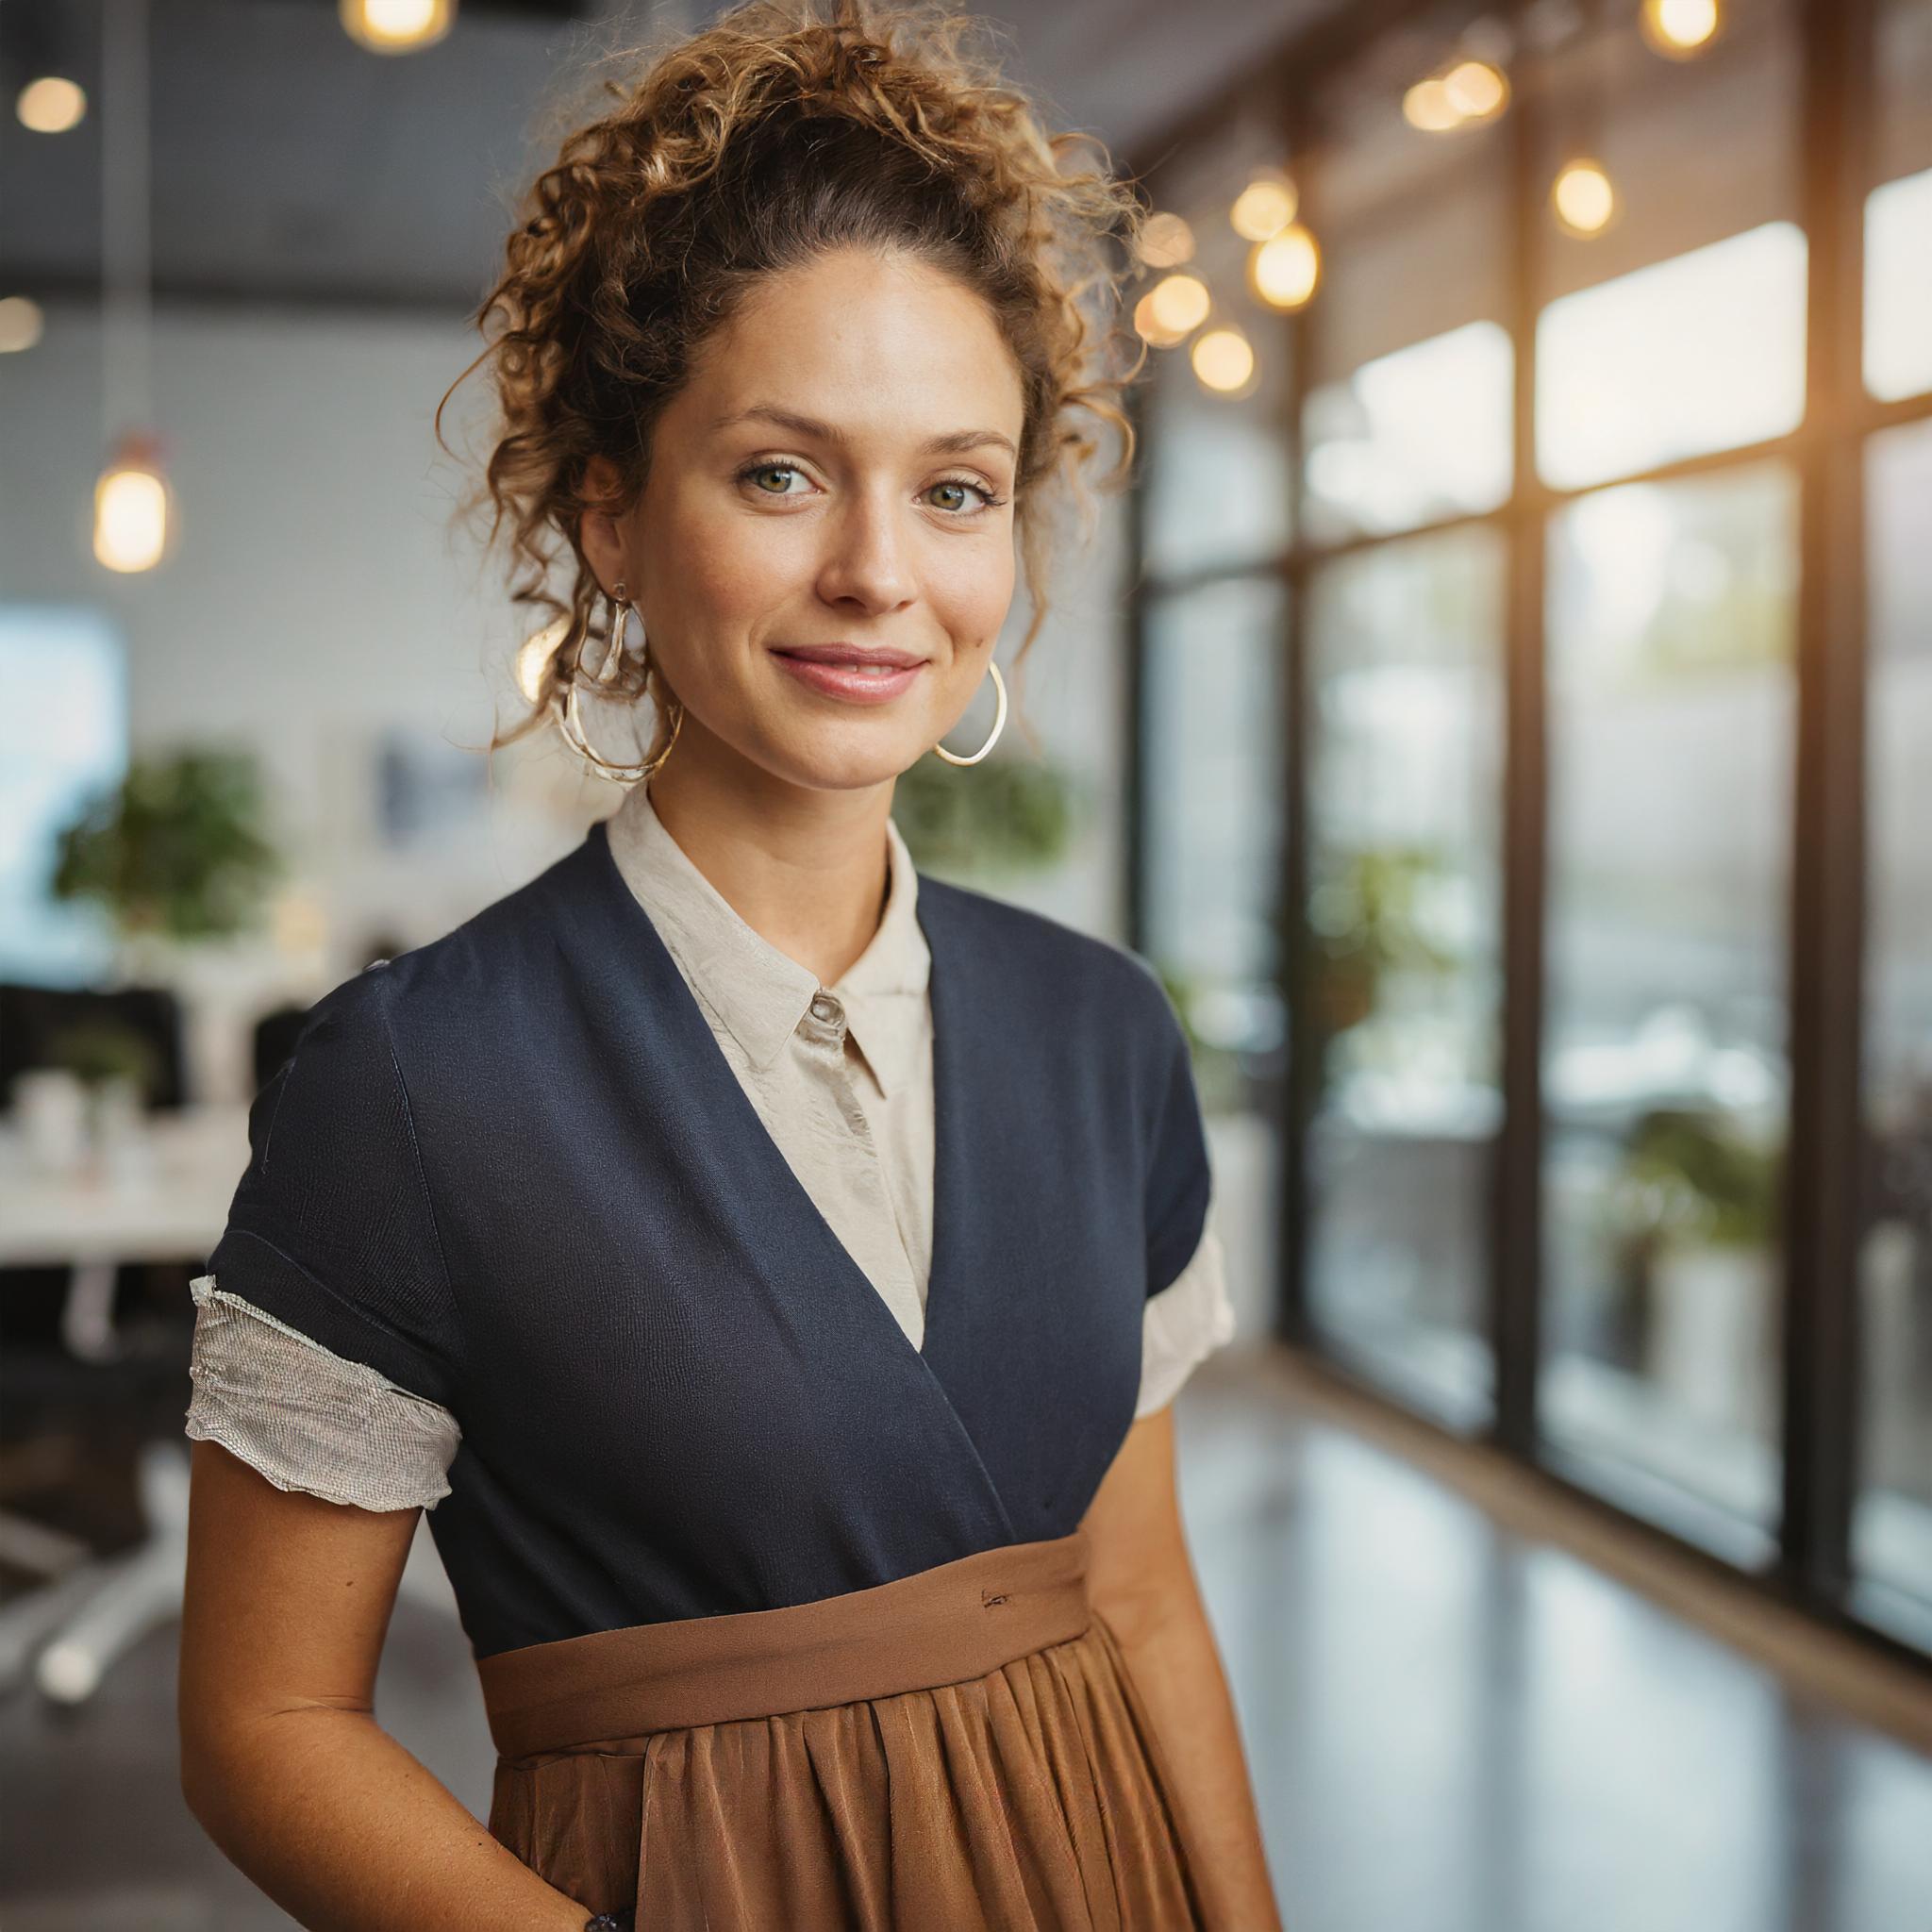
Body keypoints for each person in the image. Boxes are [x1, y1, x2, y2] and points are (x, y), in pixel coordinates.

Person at [175, 1, 1282, 1925]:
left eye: (954, 488)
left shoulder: (1101, 1034)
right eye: (782, 473)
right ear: (611, 512)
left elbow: (1143, 1597)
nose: (879, 572)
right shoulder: (418, 1085)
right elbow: (265, 1723)